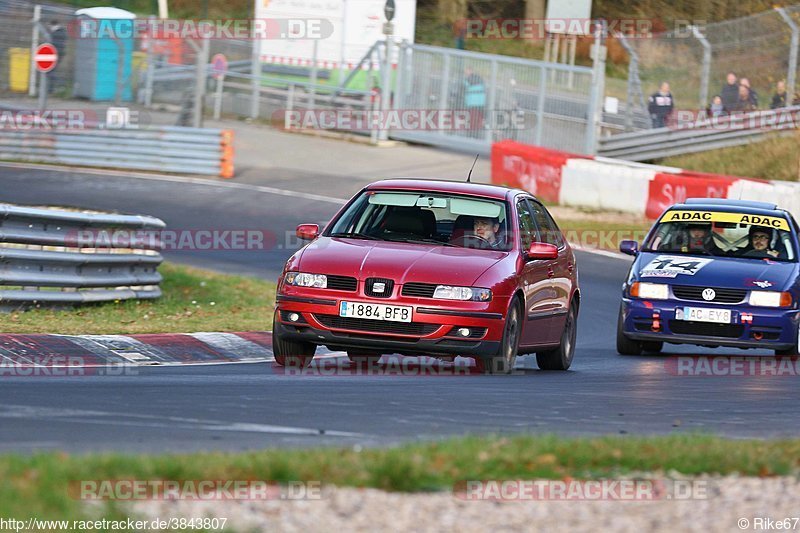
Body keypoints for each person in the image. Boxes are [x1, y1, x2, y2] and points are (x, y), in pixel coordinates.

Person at [463, 67, 486, 136]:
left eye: (466, 71)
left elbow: (464, 88)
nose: (465, 73)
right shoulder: (480, 78)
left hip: (471, 101)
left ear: (470, 71)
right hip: (481, 101)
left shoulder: (467, 80)